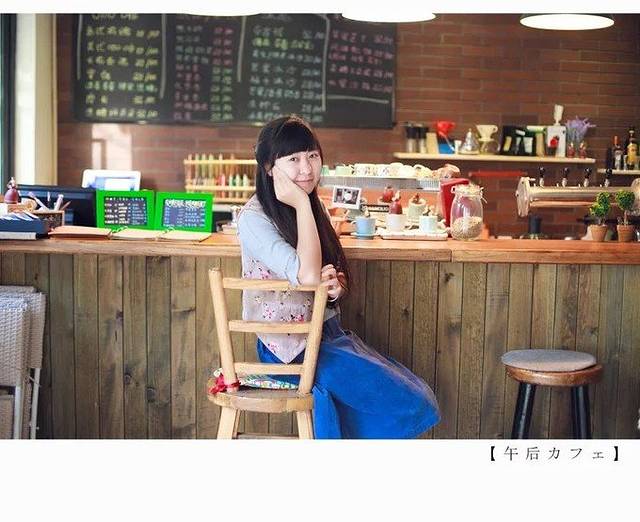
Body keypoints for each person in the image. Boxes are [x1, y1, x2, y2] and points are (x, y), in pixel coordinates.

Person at [236, 115, 440, 438]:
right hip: (288, 350)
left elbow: (328, 273)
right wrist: (302, 204)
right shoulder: (254, 218)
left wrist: (335, 286)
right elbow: (306, 277)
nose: (306, 168)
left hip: (328, 335)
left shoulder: (313, 207)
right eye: (293, 159)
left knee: (419, 395)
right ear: (269, 167)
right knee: (412, 403)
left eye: (312, 156)